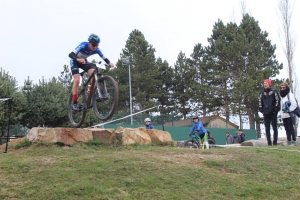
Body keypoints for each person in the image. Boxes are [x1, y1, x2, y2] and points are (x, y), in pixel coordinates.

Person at [68, 33, 114, 111]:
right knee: (77, 80)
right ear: (89, 43)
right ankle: (74, 103)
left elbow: (104, 57)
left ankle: (90, 93)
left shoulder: (96, 49)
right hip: (75, 61)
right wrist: (78, 59)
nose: (95, 47)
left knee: (94, 73)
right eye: (94, 45)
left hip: (84, 62)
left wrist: (109, 63)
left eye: (97, 45)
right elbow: (71, 54)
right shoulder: (83, 45)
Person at [258, 79, 280, 146]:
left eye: (266, 83)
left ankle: (275, 142)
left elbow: (278, 101)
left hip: (273, 113)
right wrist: (262, 110)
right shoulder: (262, 93)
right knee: (267, 128)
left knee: (274, 128)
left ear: (269, 84)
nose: (265, 84)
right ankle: (269, 142)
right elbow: (259, 102)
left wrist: (275, 110)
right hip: (266, 113)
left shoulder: (274, 92)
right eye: (264, 83)